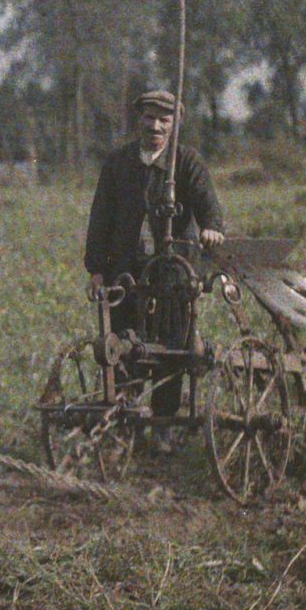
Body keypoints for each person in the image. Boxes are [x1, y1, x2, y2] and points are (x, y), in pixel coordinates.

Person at [82, 89, 225, 416]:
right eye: (150, 117)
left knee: (171, 347)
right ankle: (122, 415)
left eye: (164, 119)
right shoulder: (118, 163)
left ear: (175, 124)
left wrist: (212, 227)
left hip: (173, 273)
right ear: (139, 119)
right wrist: (96, 269)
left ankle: (164, 421)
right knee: (121, 343)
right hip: (126, 272)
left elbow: (208, 206)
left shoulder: (186, 162)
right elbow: (100, 218)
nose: (156, 126)